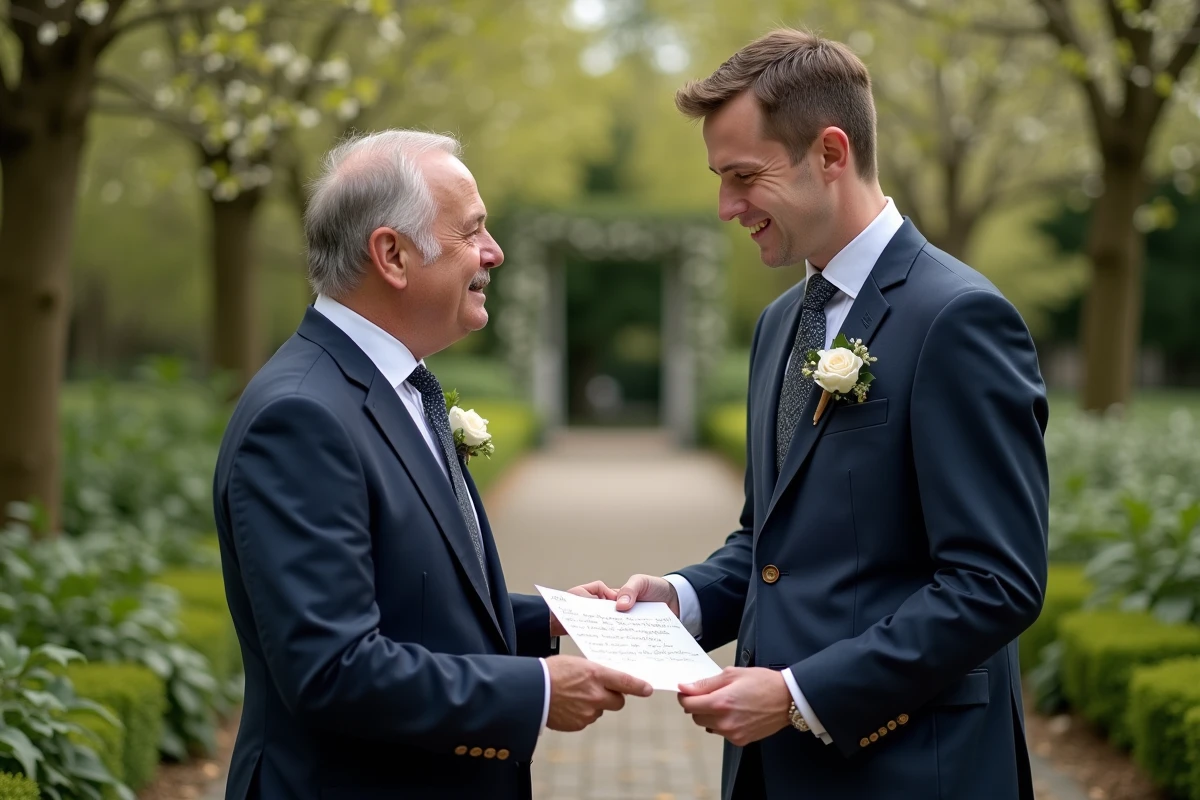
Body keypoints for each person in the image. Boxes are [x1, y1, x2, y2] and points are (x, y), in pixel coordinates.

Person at [606, 28, 1049, 800]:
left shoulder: (959, 318)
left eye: (744, 177)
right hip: (774, 774)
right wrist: (677, 599)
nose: (726, 207)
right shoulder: (779, 325)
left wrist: (799, 696)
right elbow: (771, 546)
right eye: (720, 180)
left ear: (831, 153)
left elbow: (995, 581)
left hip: (914, 772)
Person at [212, 129, 651, 800]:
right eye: (472, 230)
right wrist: (534, 690)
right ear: (392, 254)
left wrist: (551, 619)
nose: (494, 251)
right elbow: (332, 670)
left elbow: (407, 598)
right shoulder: (300, 418)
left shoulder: (396, 386)